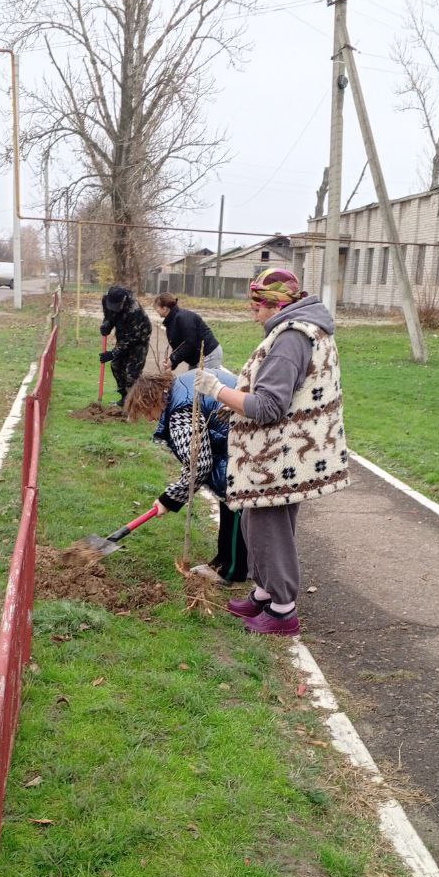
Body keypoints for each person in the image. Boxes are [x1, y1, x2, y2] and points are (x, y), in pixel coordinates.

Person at [194, 267, 349, 635]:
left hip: (280, 454)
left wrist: (218, 390)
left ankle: (282, 609)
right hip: (280, 452)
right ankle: (264, 593)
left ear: (275, 304)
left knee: (269, 529)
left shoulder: (290, 339)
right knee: (255, 522)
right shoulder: (295, 329)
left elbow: (268, 406)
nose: (253, 310)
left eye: (257, 303)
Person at [124, 367, 248, 584]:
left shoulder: (179, 412)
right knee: (228, 500)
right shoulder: (183, 384)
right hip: (246, 435)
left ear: (152, 401)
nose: (150, 419)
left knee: (234, 502)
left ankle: (231, 569)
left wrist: (168, 500)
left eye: (146, 413)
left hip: (245, 446)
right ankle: (223, 561)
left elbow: (198, 463)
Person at [100, 285, 152, 404]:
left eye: (116, 306)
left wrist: (113, 353)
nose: (113, 308)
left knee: (132, 373)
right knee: (116, 365)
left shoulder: (134, 310)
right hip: (123, 334)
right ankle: (124, 398)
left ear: (123, 300)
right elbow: (109, 315)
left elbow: (132, 338)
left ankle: (133, 404)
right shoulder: (106, 300)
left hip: (139, 338)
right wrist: (106, 325)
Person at [154, 292, 223, 372]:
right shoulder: (171, 321)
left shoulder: (183, 317)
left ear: (164, 308)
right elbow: (179, 346)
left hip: (208, 354)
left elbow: (190, 342)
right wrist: (172, 364)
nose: (156, 310)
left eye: (157, 308)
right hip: (196, 358)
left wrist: (173, 359)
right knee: (192, 382)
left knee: (204, 382)